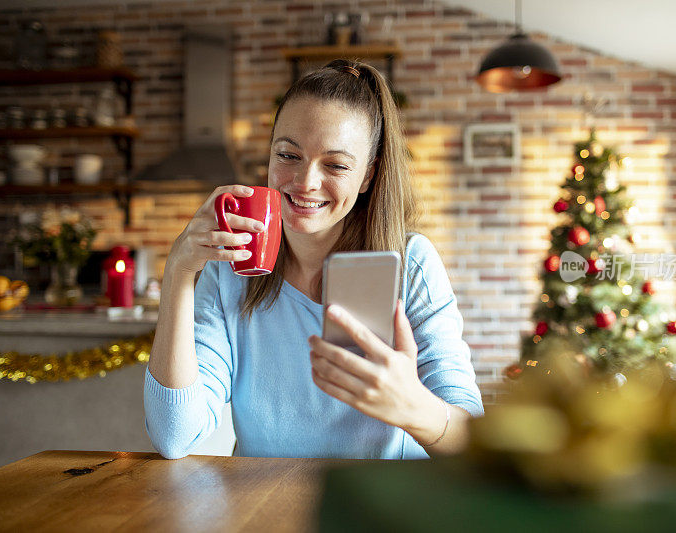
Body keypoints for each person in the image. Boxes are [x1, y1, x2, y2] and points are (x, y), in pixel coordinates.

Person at [144, 60, 483, 460]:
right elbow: (174, 435)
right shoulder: (231, 265)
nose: (305, 182)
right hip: (264, 510)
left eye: (336, 165)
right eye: (288, 155)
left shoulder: (411, 263)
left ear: (368, 176)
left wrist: (412, 406)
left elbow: (469, 442)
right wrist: (179, 273)